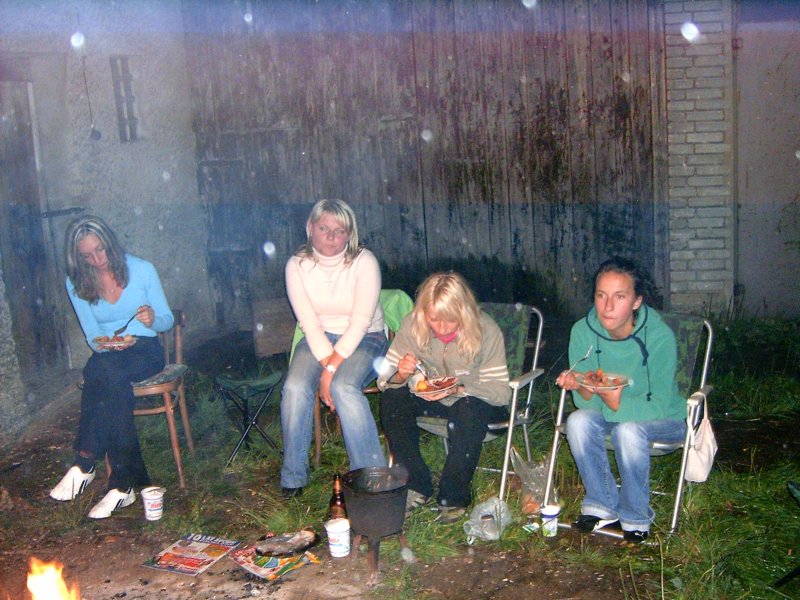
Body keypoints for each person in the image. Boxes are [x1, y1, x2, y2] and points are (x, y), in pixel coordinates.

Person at [49, 215, 174, 519]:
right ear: (77, 258)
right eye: (86, 256)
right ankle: (122, 483)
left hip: (145, 349)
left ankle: (86, 460)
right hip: (109, 355)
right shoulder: (76, 282)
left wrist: (152, 320)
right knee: (107, 374)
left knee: (99, 372)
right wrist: (108, 344)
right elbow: (93, 336)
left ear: (110, 243)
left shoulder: (142, 270)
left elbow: (167, 321)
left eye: (100, 250)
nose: (96, 260)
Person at [555, 256, 686, 542]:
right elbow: (588, 404)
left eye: (620, 296)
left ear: (637, 301)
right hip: (613, 412)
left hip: (665, 418)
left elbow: (659, 404)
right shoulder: (583, 332)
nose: (608, 306)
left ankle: (636, 515)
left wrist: (616, 403)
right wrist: (582, 386)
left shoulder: (659, 336)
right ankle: (602, 504)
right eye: (601, 295)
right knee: (578, 421)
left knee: (628, 430)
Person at [378, 272, 510, 524]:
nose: (441, 328)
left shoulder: (486, 330)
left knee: (468, 408)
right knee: (393, 399)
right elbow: (384, 379)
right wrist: (400, 374)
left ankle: (453, 496)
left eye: (450, 320)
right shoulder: (413, 324)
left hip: (477, 405)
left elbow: (501, 391)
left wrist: (459, 389)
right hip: (433, 400)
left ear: (464, 313)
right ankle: (416, 484)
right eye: (434, 319)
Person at [280, 199, 388, 498]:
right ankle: (293, 476)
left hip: (366, 337)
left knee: (344, 387)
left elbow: (361, 322)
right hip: (318, 337)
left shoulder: (364, 262)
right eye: (324, 228)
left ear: (349, 234)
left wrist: (330, 372)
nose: (330, 236)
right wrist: (328, 362)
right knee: (294, 387)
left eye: (339, 230)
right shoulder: (296, 265)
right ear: (310, 228)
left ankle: (371, 478)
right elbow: (308, 322)